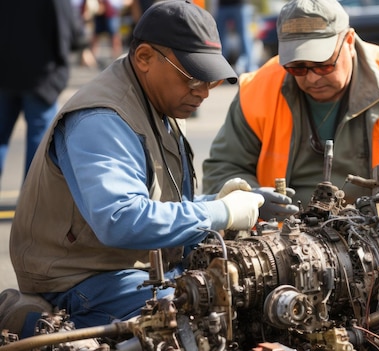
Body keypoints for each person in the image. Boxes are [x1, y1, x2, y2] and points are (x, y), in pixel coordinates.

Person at [9, 0, 264, 330]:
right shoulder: (101, 119)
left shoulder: (161, 99)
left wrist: (223, 204)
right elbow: (121, 218)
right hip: (80, 281)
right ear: (144, 58)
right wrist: (220, 212)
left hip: (135, 266)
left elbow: (156, 206)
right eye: (193, 77)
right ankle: (30, 321)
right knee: (203, 323)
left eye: (211, 81)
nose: (203, 92)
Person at [203, 0, 379, 223]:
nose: (312, 78)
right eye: (297, 68)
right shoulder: (258, 89)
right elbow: (223, 169)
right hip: (281, 244)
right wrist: (252, 200)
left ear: (349, 41)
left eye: (323, 64)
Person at [0, 0, 86, 185]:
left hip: (9, 74)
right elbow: (73, 34)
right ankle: (29, 205)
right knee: (38, 147)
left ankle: (29, 201)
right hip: (40, 77)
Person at [215, 0, 258, 74]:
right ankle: (219, 68)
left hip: (240, 4)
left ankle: (249, 68)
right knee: (218, 38)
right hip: (222, 5)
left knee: (245, 38)